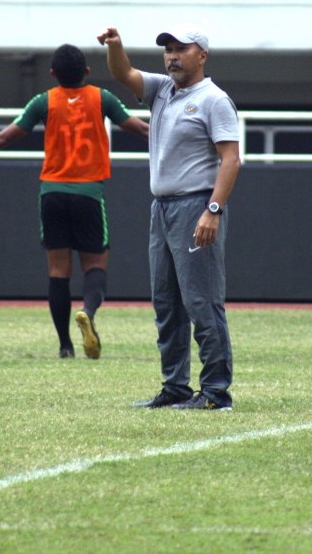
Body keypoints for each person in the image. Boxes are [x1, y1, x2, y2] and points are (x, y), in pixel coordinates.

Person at [0, 44, 148, 359]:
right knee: (96, 265)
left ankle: (65, 346)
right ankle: (87, 311)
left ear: (52, 75)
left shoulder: (44, 101)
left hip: (52, 193)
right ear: (87, 72)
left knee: (58, 270)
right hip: (88, 192)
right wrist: (185, 143)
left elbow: (2, 137)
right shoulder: (102, 98)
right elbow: (140, 128)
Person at [97, 25, 241, 410]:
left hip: (196, 205)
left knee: (201, 301)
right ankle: (175, 386)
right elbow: (123, 73)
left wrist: (213, 210)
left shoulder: (214, 100)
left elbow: (231, 159)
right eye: (168, 50)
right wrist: (116, 46)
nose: (172, 56)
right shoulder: (162, 89)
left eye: (181, 49)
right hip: (161, 208)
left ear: (202, 55)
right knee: (166, 303)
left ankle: (215, 392)